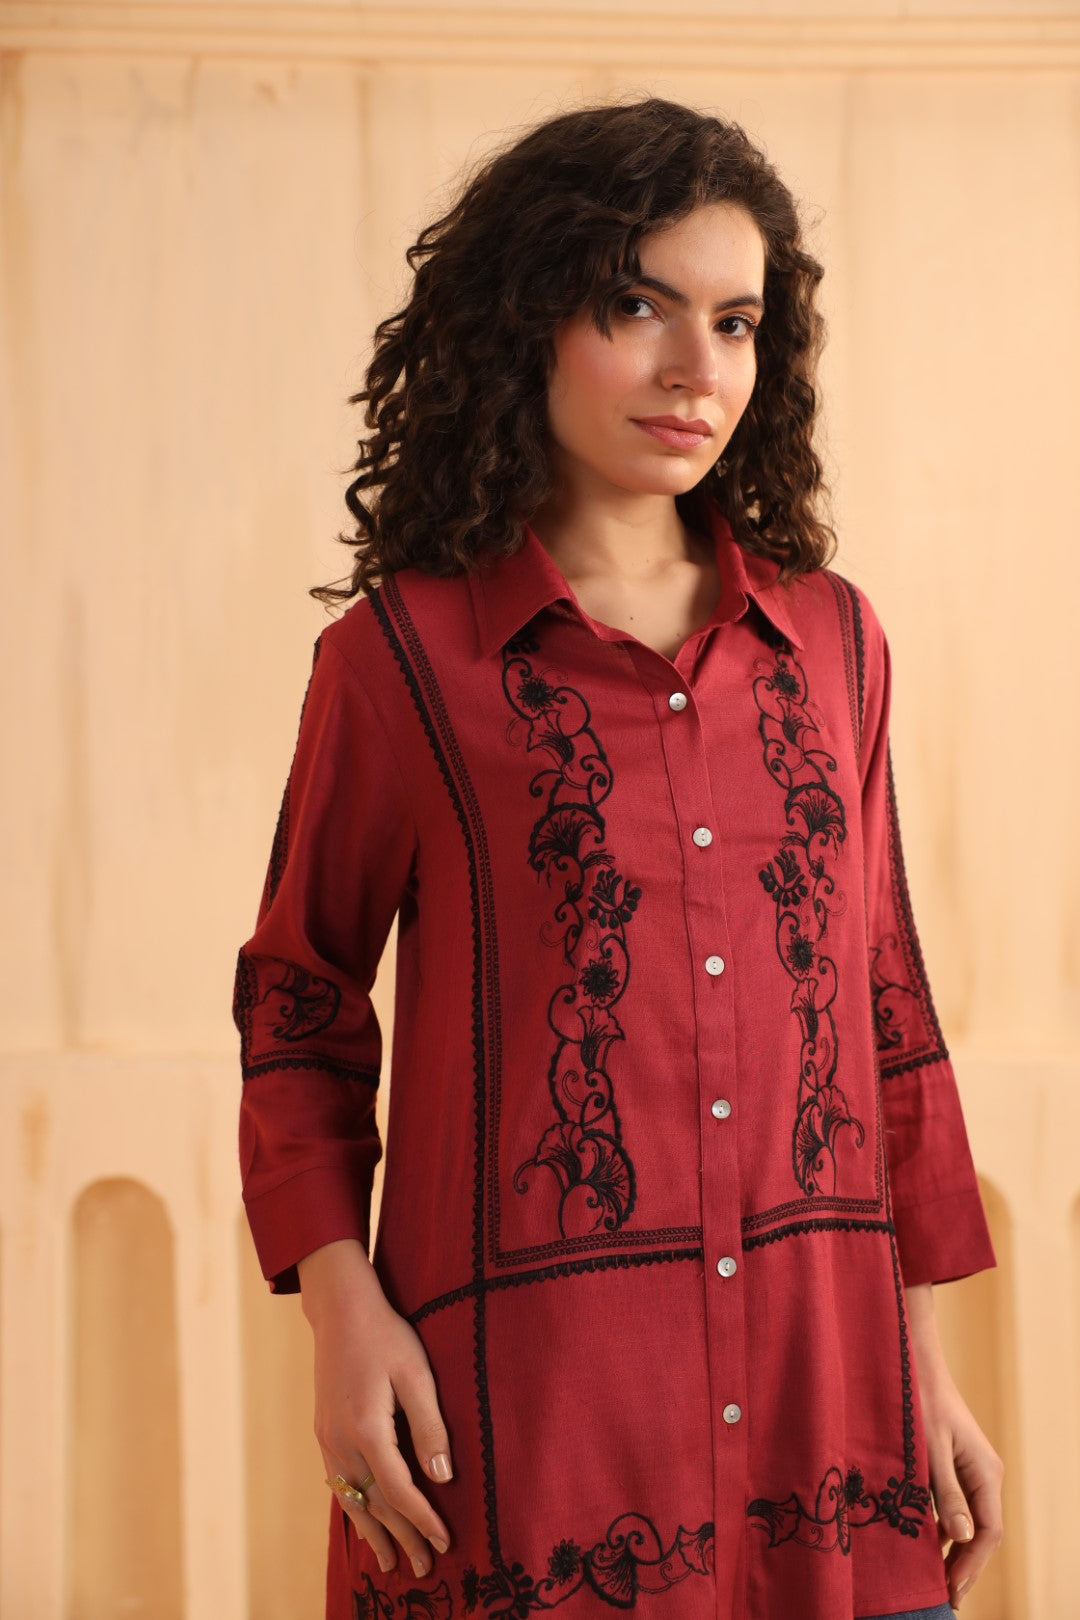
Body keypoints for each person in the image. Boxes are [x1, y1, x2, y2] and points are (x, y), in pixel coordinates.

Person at [231, 96, 1004, 1620]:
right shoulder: (399, 665)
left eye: (736, 323)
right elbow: (300, 1005)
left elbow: (881, 1009)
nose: (695, 369)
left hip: (827, 1429)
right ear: (529, 320)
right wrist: (339, 1314)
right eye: (637, 308)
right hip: (537, 1427)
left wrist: (920, 1359)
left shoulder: (834, 646)